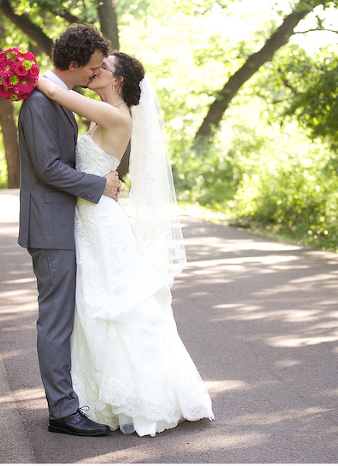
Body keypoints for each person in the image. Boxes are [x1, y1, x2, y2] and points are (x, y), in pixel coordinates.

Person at [35, 52, 214, 437]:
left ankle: (142, 397)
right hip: (88, 217)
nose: (96, 69)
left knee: (116, 305)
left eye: (104, 67)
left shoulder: (114, 115)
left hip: (101, 222)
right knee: (92, 304)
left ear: (117, 81)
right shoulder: (98, 113)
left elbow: (54, 90)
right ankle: (95, 396)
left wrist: (20, 71)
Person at [17, 24, 122, 437]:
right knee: (56, 320)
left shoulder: (57, 97)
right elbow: (48, 168)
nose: (96, 73)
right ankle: (62, 412)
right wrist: (99, 185)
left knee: (65, 317)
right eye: (93, 67)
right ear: (74, 64)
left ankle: (70, 400)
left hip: (65, 222)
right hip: (49, 226)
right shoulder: (40, 102)